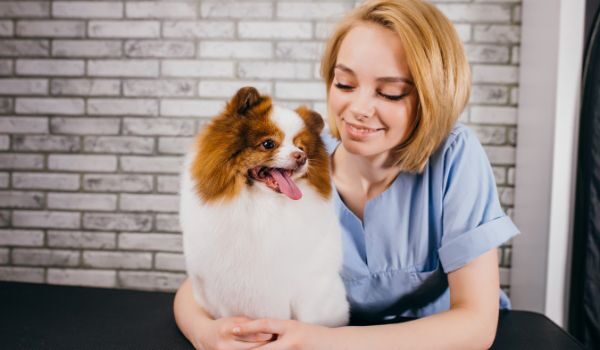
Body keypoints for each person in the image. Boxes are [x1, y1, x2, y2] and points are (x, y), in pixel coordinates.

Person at [173, 0, 520, 348]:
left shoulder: (455, 156)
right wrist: (207, 334)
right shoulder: (297, 168)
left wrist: (323, 343)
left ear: (434, 96)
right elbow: (209, 279)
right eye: (344, 84)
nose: (357, 110)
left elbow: (476, 323)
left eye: (390, 92)